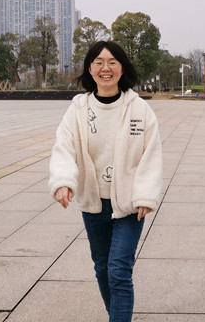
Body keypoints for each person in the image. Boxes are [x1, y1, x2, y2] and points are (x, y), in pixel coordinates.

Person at [48, 40, 162, 322]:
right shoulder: (78, 109)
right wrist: (63, 181)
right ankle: (117, 315)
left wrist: (145, 195)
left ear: (122, 68)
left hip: (129, 204)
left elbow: (151, 154)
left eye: (112, 62)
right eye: (98, 62)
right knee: (102, 268)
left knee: (119, 270)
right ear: (90, 69)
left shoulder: (139, 110)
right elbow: (64, 146)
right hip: (94, 202)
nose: (105, 68)